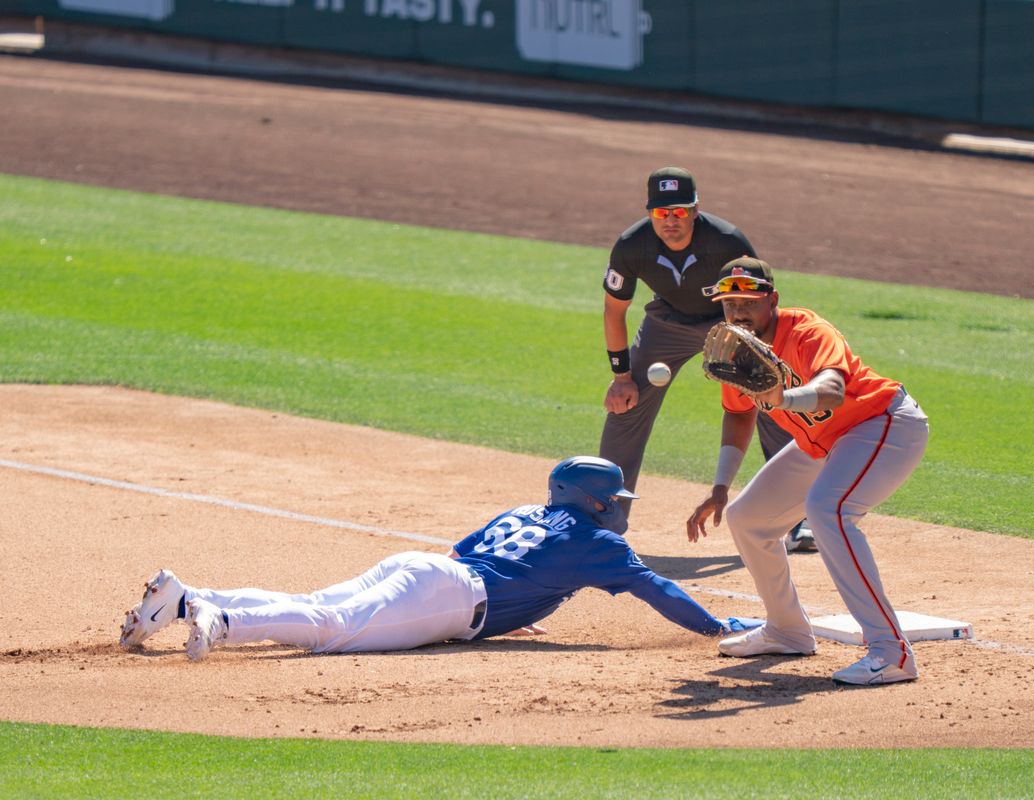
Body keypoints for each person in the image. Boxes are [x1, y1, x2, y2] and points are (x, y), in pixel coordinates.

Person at [119, 456, 761, 661]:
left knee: (317, 606)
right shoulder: (598, 544)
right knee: (328, 630)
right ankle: (218, 621)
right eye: (609, 498)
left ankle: (181, 598)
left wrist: (522, 601)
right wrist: (716, 628)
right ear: (591, 500)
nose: (615, 507)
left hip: (427, 569)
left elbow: (461, 555)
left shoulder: (525, 513)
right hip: (453, 597)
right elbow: (656, 589)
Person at [686, 257, 930, 686]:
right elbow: (738, 415)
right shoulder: (736, 349)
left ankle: (892, 654)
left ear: (772, 300)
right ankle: (787, 631)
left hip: (882, 423)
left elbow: (833, 391)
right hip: (824, 443)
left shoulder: (807, 330)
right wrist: (721, 486)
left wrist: (783, 399)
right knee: (749, 519)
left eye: (748, 301)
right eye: (729, 304)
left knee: (829, 509)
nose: (738, 312)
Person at [599, 167, 813, 552]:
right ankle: (603, 520)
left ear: (696, 209)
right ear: (649, 213)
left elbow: (760, 299)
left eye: (680, 211)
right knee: (625, 405)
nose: (671, 221)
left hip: (730, 320)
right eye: (662, 213)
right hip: (666, 322)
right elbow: (614, 311)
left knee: (770, 401)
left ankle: (798, 518)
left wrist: (759, 353)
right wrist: (621, 376)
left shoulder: (726, 241)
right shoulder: (632, 246)